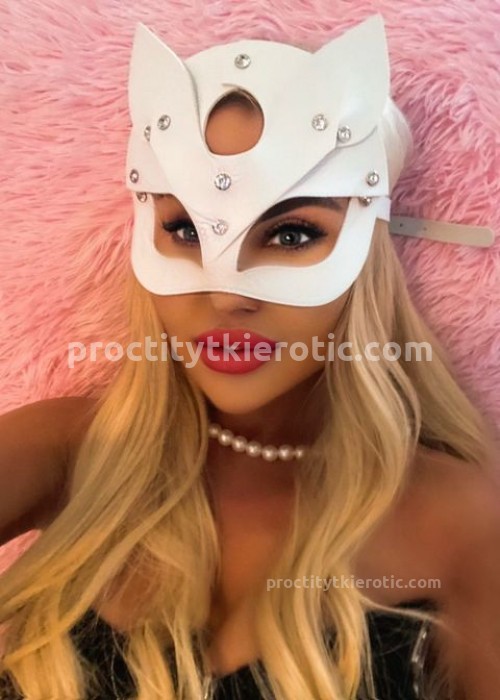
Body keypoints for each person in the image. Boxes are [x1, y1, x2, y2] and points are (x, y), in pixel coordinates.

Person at [1, 14, 499, 700]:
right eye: (185, 230)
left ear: (368, 253)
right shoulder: (67, 454)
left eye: (292, 235)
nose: (226, 295)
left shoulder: (464, 524)